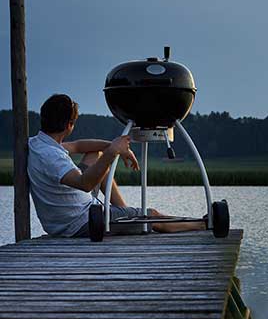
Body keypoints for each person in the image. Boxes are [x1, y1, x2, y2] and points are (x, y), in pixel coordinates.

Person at [27, 93, 206, 237]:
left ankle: (124, 213)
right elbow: (85, 184)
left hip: (71, 214)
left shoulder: (39, 144)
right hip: (79, 223)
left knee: (94, 155)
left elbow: (79, 145)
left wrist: (114, 146)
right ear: (69, 125)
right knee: (152, 216)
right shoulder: (51, 157)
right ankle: (201, 224)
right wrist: (112, 152)